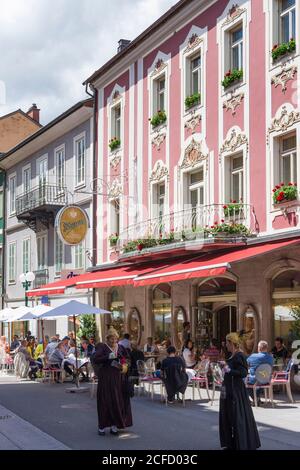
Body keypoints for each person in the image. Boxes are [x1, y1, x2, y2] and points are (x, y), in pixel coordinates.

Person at [219, 332, 261, 450]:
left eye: (227, 343)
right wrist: (223, 368)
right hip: (228, 389)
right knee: (228, 416)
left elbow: (243, 373)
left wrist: (228, 369)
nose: (226, 345)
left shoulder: (239, 356)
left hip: (235, 391)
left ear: (231, 343)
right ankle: (231, 443)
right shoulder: (232, 355)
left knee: (236, 417)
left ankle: (239, 443)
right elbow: (231, 371)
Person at [93, 327, 133, 436]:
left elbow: (128, 359)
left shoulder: (120, 347)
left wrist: (124, 365)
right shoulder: (102, 347)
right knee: (105, 402)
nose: (113, 341)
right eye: (111, 339)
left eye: (115, 339)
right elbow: (95, 359)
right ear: (107, 339)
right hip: (106, 378)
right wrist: (108, 357)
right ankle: (102, 427)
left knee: (117, 401)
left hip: (118, 378)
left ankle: (114, 426)